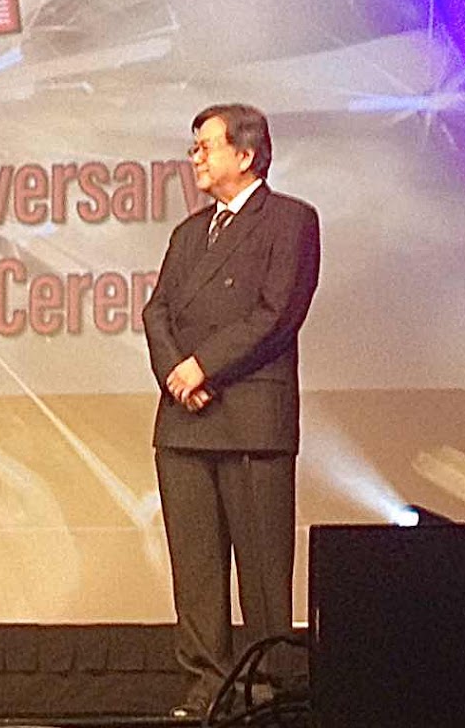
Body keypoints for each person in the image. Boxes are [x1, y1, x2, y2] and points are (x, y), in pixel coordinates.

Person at [142, 104, 321, 719]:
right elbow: (156, 312)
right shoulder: (188, 233)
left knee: (264, 569)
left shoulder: (291, 220)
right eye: (193, 147)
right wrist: (177, 374)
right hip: (184, 421)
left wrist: (205, 367)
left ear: (245, 155)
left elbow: (277, 313)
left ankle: (274, 689)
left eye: (205, 146)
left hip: (250, 419)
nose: (195, 157)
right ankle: (207, 686)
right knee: (195, 570)